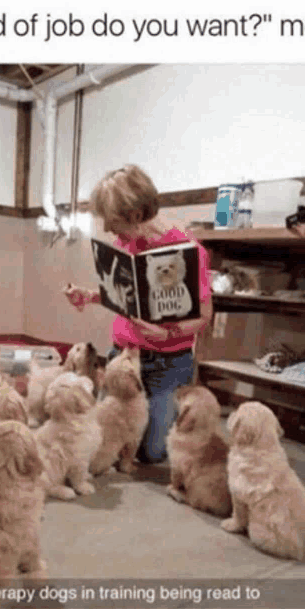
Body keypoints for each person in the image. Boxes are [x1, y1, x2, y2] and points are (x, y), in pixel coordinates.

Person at [64, 164, 213, 464]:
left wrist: (168, 332)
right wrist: (91, 295)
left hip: (168, 363)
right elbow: (125, 300)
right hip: (124, 357)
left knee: (152, 453)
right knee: (103, 437)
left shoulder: (188, 251)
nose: (107, 229)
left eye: (111, 220)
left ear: (133, 215)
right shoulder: (126, 242)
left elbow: (205, 316)